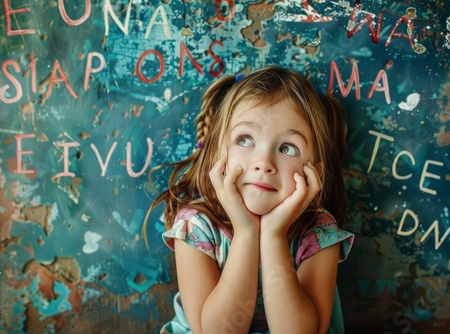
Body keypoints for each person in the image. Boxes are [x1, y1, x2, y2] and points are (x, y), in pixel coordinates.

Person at [146, 65, 354, 334]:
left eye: (287, 148)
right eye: (245, 140)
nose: (264, 163)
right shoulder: (196, 227)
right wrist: (246, 232)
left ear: (314, 172)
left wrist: (274, 236)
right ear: (216, 155)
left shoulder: (318, 233)